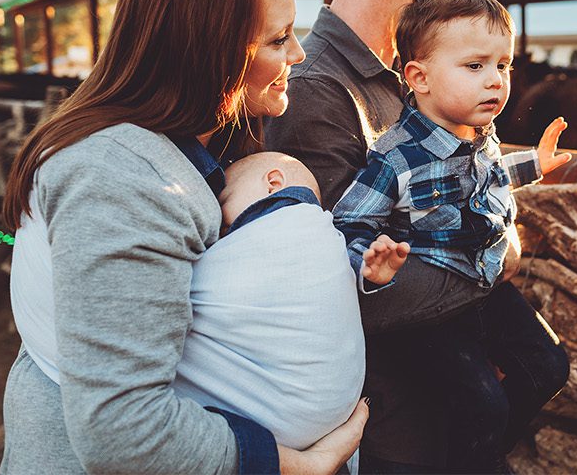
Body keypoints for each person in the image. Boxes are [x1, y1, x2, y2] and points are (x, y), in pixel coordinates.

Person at [0, 0, 367, 475]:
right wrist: (299, 465)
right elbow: (124, 430)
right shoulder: (118, 177)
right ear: (209, 52)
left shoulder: (188, 152)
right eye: (277, 38)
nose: (297, 53)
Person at [260, 0, 485, 472]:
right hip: (381, 413)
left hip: (427, 380)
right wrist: (490, 262)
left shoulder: (407, 79)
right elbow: (345, 281)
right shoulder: (316, 89)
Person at [330, 0, 573, 473]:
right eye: (475, 66)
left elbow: (491, 177)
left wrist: (534, 166)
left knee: (550, 367)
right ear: (419, 77)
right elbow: (350, 221)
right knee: (485, 402)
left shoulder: (480, 135)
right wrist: (369, 264)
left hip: (485, 285)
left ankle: (475, 457)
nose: (496, 81)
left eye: (503, 65)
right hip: (431, 311)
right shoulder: (394, 156)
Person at [168, 152, 408, 473]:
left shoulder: (294, 227)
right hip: (328, 418)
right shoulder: (325, 237)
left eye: (223, 199)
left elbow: (192, 294)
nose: (220, 226)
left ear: (273, 183)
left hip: (267, 426)